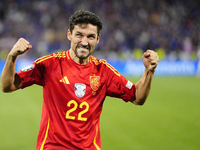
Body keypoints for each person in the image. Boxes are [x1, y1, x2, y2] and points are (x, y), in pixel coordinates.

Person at [1, 10, 159, 150]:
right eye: (79, 35)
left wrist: (149, 71)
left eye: (90, 37)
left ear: (97, 39)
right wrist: (12, 56)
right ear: (69, 34)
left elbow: (138, 97)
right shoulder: (50, 64)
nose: (84, 42)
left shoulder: (103, 71)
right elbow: (7, 86)